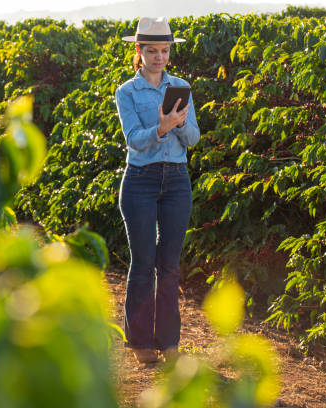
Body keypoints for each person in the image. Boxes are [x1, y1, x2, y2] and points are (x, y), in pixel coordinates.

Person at [114, 16, 200, 364]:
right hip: (141, 182)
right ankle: (140, 343)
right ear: (139, 51)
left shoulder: (180, 87)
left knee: (170, 266)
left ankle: (170, 342)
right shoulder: (127, 92)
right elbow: (134, 140)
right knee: (143, 263)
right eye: (152, 51)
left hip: (177, 180)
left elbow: (193, 137)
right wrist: (161, 128)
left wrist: (177, 126)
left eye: (165, 50)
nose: (160, 57)